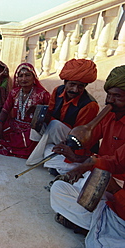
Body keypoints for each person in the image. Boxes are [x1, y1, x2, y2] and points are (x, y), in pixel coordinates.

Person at [50, 65, 125, 247]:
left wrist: (86, 163)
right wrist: (73, 151)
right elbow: (88, 136)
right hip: (99, 171)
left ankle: (93, 223)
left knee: (103, 207)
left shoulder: (90, 104)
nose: (110, 100)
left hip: (118, 183)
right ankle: (95, 222)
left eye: (118, 96)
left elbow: (116, 161)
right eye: (109, 95)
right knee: (58, 189)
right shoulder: (108, 114)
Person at [26, 59, 100, 175]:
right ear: (65, 82)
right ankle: (50, 160)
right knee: (40, 123)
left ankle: (36, 159)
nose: (75, 90)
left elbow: (78, 137)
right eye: (72, 84)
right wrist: (40, 112)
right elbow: (50, 112)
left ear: (85, 86)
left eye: (80, 86)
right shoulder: (57, 90)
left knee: (54, 126)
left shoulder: (89, 105)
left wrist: (51, 121)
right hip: (57, 133)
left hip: (75, 142)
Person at [0, 63, 50, 159]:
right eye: (20, 76)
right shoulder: (14, 92)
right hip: (14, 124)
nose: (24, 79)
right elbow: (5, 110)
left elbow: (50, 116)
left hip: (31, 129)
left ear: (33, 77)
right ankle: (12, 141)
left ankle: (17, 144)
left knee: (30, 137)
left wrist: (38, 110)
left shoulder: (43, 94)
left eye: (27, 75)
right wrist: (0, 123)